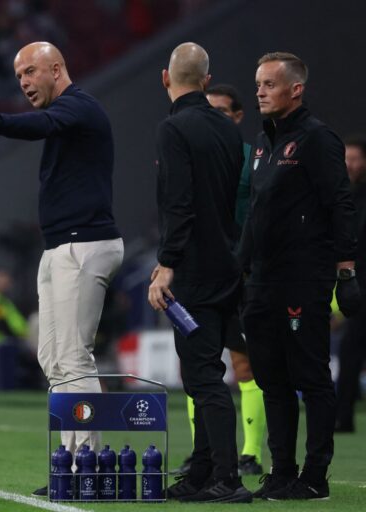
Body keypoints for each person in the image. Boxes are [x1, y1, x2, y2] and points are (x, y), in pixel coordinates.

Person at [0, 41, 124, 496]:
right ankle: (71, 464)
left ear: (57, 68)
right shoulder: (66, 114)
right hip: (60, 248)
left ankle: (85, 467)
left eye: (31, 72)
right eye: (19, 77)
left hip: (85, 246)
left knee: (74, 357)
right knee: (53, 359)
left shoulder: (79, 107)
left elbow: (41, 124)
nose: (25, 82)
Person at [240, 52, 360, 500]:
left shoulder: (317, 139)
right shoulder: (261, 143)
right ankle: (282, 471)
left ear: (296, 89)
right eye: (257, 85)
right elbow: (255, 214)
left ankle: (315, 476)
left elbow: (340, 204)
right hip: (262, 280)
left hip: (302, 279)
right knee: (271, 378)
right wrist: (241, 268)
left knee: (310, 376)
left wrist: (345, 269)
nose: (260, 92)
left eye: (269, 84)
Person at [148, 43, 251, 503]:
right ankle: (203, 472)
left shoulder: (174, 128)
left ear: (166, 79)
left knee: (203, 376)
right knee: (206, 372)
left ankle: (226, 478)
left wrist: (167, 263)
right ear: (207, 81)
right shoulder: (229, 131)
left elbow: (179, 204)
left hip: (192, 269)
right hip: (227, 265)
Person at [174, 84, 266, 477]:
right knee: (197, 367)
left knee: (245, 366)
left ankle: (249, 453)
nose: (213, 118)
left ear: (238, 116)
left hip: (243, 274)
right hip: (201, 272)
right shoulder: (195, 156)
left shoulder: (252, 159)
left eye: (223, 112)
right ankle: (203, 455)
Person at [335, 135, 366, 433]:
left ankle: (344, 416)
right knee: (348, 351)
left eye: (355, 158)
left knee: (350, 350)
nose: (350, 164)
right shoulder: (340, 196)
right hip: (357, 288)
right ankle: (343, 417)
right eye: (346, 158)